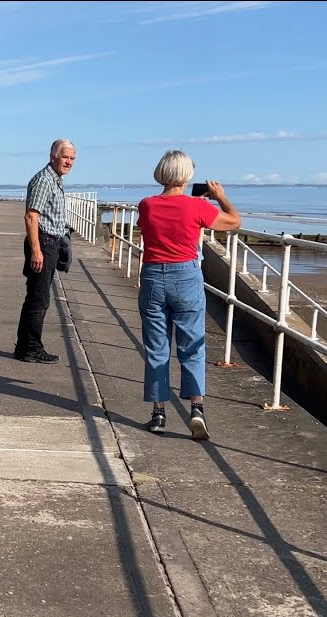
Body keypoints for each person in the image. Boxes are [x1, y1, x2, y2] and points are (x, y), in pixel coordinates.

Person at [135, 150, 240, 440]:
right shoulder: (197, 206)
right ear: (186, 175)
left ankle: (158, 413)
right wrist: (219, 196)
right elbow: (234, 221)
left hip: (154, 276)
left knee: (157, 348)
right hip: (186, 276)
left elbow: (144, 229)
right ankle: (196, 409)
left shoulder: (147, 205)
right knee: (192, 346)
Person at [14, 138, 76, 364]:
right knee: (38, 298)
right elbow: (31, 216)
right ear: (53, 157)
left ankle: (25, 346)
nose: (69, 162)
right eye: (65, 157)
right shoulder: (44, 180)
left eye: (72, 158)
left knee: (38, 296)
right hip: (43, 243)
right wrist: (36, 251)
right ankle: (30, 348)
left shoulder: (55, 180)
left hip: (51, 243)